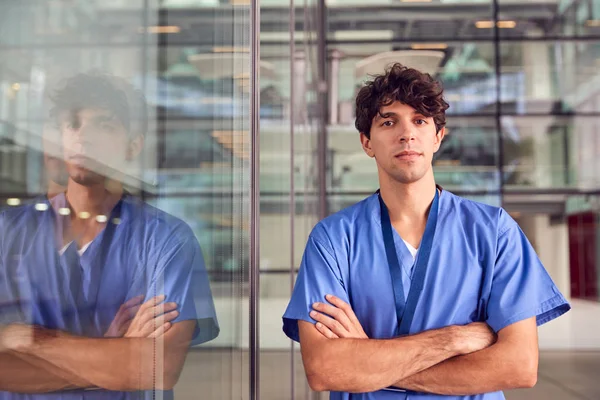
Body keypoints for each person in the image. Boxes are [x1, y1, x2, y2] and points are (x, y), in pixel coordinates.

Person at [282, 63, 570, 400]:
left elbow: (518, 366)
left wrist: (368, 358)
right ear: (367, 142)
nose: (407, 134)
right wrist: (452, 340)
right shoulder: (333, 239)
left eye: (419, 121)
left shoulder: (493, 231)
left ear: (437, 137)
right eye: (388, 122)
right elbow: (325, 370)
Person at [0, 72, 219, 399]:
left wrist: (33, 339)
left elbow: (158, 367)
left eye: (104, 125)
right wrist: (114, 352)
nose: (84, 138)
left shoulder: (166, 240)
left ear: (133, 146)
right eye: (73, 125)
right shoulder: (8, 233)